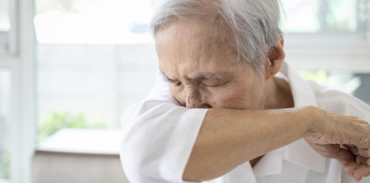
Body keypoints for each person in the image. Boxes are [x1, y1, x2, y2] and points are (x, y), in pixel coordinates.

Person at [120, 0, 370, 182]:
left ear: (270, 58)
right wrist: (307, 121)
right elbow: (140, 156)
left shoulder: (353, 127)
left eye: (210, 80)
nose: (191, 104)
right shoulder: (165, 104)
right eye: (173, 80)